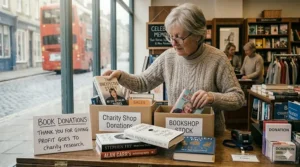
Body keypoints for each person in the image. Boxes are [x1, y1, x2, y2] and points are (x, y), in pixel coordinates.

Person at [103, 3, 245, 135]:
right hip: (175, 133)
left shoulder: (218, 58)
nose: (173, 43)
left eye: (179, 37)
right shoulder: (168, 58)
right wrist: (121, 76)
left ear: (198, 35)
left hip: (210, 136)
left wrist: (212, 97)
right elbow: (143, 82)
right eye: (170, 37)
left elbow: (238, 98)